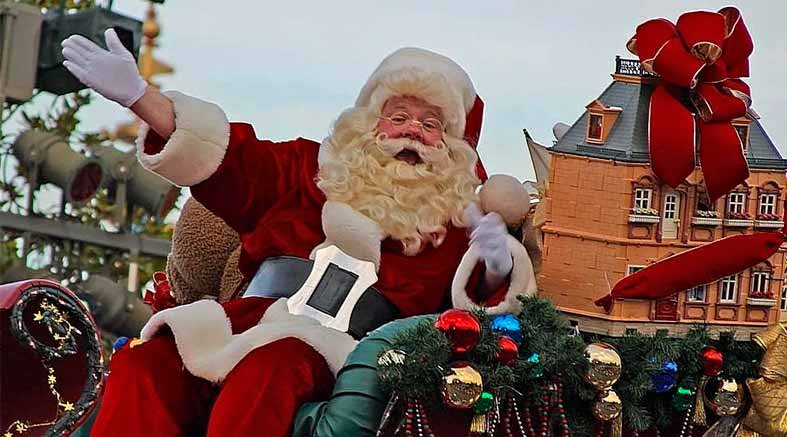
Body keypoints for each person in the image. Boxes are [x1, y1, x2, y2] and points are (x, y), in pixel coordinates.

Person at [61, 29, 536, 436]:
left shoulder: (458, 219)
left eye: (430, 123)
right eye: (398, 115)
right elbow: (229, 162)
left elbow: (479, 314)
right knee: (147, 364)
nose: (411, 131)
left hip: (345, 352)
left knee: (272, 366)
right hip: (247, 321)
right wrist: (142, 100)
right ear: (370, 122)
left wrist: (496, 264)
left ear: (452, 144)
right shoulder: (308, 170)